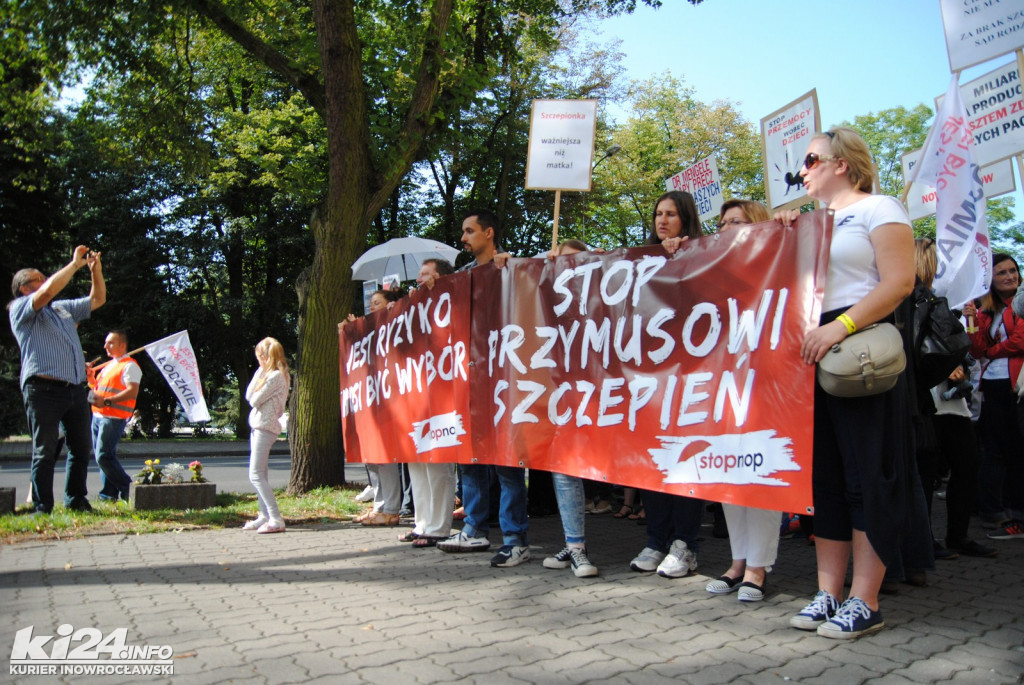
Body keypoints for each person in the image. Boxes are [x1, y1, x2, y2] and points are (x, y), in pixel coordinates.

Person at [777, 127, 916, 639]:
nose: (802, 170)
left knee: (865, 477)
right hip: (809, 358)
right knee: (825, 481)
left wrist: (841, 326)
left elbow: (899, 282)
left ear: (842, 164)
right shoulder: (806, 223)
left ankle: (866, 599)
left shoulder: (881, 209)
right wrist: (782, 234)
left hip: (858, 353)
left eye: (811, 159)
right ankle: (828, 593)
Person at [437, 209, 531, 568]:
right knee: (470, 460)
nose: (463, 238)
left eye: (469, 231)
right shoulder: (460, 279)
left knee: (508, 463)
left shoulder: (512, 269)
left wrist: (514, 273)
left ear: (489, 233)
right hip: (468, 384)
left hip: (505, 383)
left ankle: (514, 539)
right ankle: (474, 529)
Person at [702, 199, 781, 603]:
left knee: (760, 471)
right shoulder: (713, 269)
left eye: (738, 221)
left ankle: (758, 567)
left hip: (767, 383)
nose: (727, 228)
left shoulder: (777, 263)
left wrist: (790, 228)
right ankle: (737, 560)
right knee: (730, 473)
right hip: (724, 381)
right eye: (722, 223)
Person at [629, 191, 706, 580]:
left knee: (684, 459)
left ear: (686, 219)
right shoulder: (640, 261)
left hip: (691, 377)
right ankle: (656, 539)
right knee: (654, 461)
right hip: (651, 379)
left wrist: (686, 254)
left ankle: (685, 544)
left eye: (672, 214)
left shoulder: (705, 255)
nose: (663, 220)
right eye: (658, 213)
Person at [911, 240, 996, 559]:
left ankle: (957, 536)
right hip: (927, 399)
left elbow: (965, 349)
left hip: (953, 402)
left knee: (966, 464)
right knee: (926, 470)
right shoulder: (910, 300)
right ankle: (925, 540)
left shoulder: (947, 301)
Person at [9, 246, 106, 514]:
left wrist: (95, 271)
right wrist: (74, 265)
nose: (46, 280)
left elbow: (97, 299)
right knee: (45, 449)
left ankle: (75, 499)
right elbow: (48, 291)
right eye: (39, 278)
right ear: (24, 288)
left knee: (81, 446)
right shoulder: (20, 309)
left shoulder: (62, 310)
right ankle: (42, 506)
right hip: (43, 389)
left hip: (74, 389)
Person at [539, 241, 600, 577]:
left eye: (572, 259)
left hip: (603, 396)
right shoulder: (546, 297)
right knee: (563, 469)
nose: (564, 265)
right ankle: (575, 546)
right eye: (558, 259)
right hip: (564, 395)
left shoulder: (604, 290)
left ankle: (664, 542)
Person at [963, 253, 1024, 540]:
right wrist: (972, 321)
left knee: (1013, 451)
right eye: (1002, 273)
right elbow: (975, 349)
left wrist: (991, 352)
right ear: (992, 280)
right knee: (995, 451)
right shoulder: (988, 309)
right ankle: (995, 513)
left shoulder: (1020, 303)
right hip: (993, 385)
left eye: (1013, 271)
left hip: (1015, 385)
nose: (1010, 276)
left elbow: (1020, 340)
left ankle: (1011, 510)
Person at [400, 257, 459, 548]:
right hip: (416, 397)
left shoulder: (452, 303)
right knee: (418, 464)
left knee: (438, 466)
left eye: (427, 274)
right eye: (419, 275)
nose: (419, 279)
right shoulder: (414, 308)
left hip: (443, 397)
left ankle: (439, 527)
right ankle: (422, 523)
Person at [346, 290, 404, 526]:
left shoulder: (396, 325)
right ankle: (379, 506)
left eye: (377, 303)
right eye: (370, 303)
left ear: (391, 305)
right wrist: (352, 331)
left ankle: (391, 508)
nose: (371, 307)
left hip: (388, 402)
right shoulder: (371, 330)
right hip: (372, 401)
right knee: (373, 458)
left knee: (385, 456)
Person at [242, 337, 290, 533]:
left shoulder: (276, 376)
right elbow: (248, 395)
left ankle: (275, 518)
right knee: (261, 473)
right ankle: (264, 515)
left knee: (255, 474)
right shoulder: (267, 374)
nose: (258, 360)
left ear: (266, 356)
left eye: (260, 357)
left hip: (265, 426)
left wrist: (263, 372)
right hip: (259, 426)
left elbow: (254, 400)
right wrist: (261, 370)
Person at [87, 330, 141, 502]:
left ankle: (128, 489)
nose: (105, 346)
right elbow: (98, 389)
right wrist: (90, 379)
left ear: (122, 345)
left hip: (114, 417)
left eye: (110, 343)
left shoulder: (130, 366)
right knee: (102, 457)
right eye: (106, 343)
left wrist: (108, 402)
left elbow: (132, 391)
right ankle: (108, 495)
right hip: (99, 415)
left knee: (104, 456)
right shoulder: (110, 365)